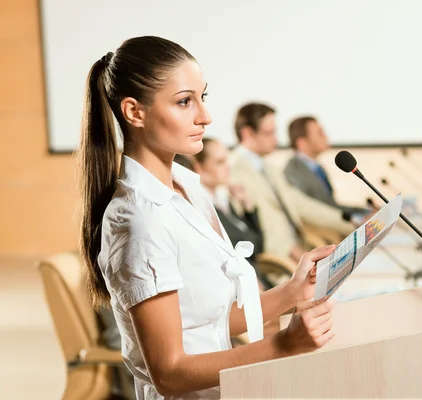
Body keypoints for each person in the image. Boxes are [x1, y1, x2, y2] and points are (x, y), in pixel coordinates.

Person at [78, 36, 336, 400]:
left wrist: (292, 292)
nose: (205, 117)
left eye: (203, 97)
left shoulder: (186, 186)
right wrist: (284, 345)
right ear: (134, 112)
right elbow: (168, 373)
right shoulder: (139, 220)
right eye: (185, 102)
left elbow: (208, 319)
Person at [229, 103, 356, 262]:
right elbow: (262, 223)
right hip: (276, 260)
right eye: (269, 133)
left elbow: (300, 204)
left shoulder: (268, 167)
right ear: (248, 133)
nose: (276, 140)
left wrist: (350, 222)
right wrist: (291, 251)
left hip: (296, 251)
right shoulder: (234, 170)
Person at [173, 147, 273, 289]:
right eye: (220, 162)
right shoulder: (203, 209)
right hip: (244, 287)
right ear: (199, 168)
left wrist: (247, 207)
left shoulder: (225, 201)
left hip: (258, 280)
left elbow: (257, 247)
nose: (227, 167)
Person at [284, 116, 371, 224]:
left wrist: (365, 212)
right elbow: (315, 212)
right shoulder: (293, 173)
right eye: (320, 133)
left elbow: (332, 205)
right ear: (302, 142)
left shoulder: (317, 168)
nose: (326, 136)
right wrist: (358, 219)